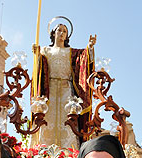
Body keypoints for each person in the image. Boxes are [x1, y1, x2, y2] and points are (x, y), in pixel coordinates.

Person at [33, 20, 95, 148]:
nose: (61, 33)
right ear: (53, 33)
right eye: (59, 30)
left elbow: (84, 58)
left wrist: (89, 47)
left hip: (66, 90)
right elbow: (39, 69)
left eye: (64, 31)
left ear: (67, 36)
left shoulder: (71, 52)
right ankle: (43, 151)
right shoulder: (45, 50)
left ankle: (68, 153)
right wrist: (37, 55)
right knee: (47, 120)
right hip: (49, 91)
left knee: (67, 120)